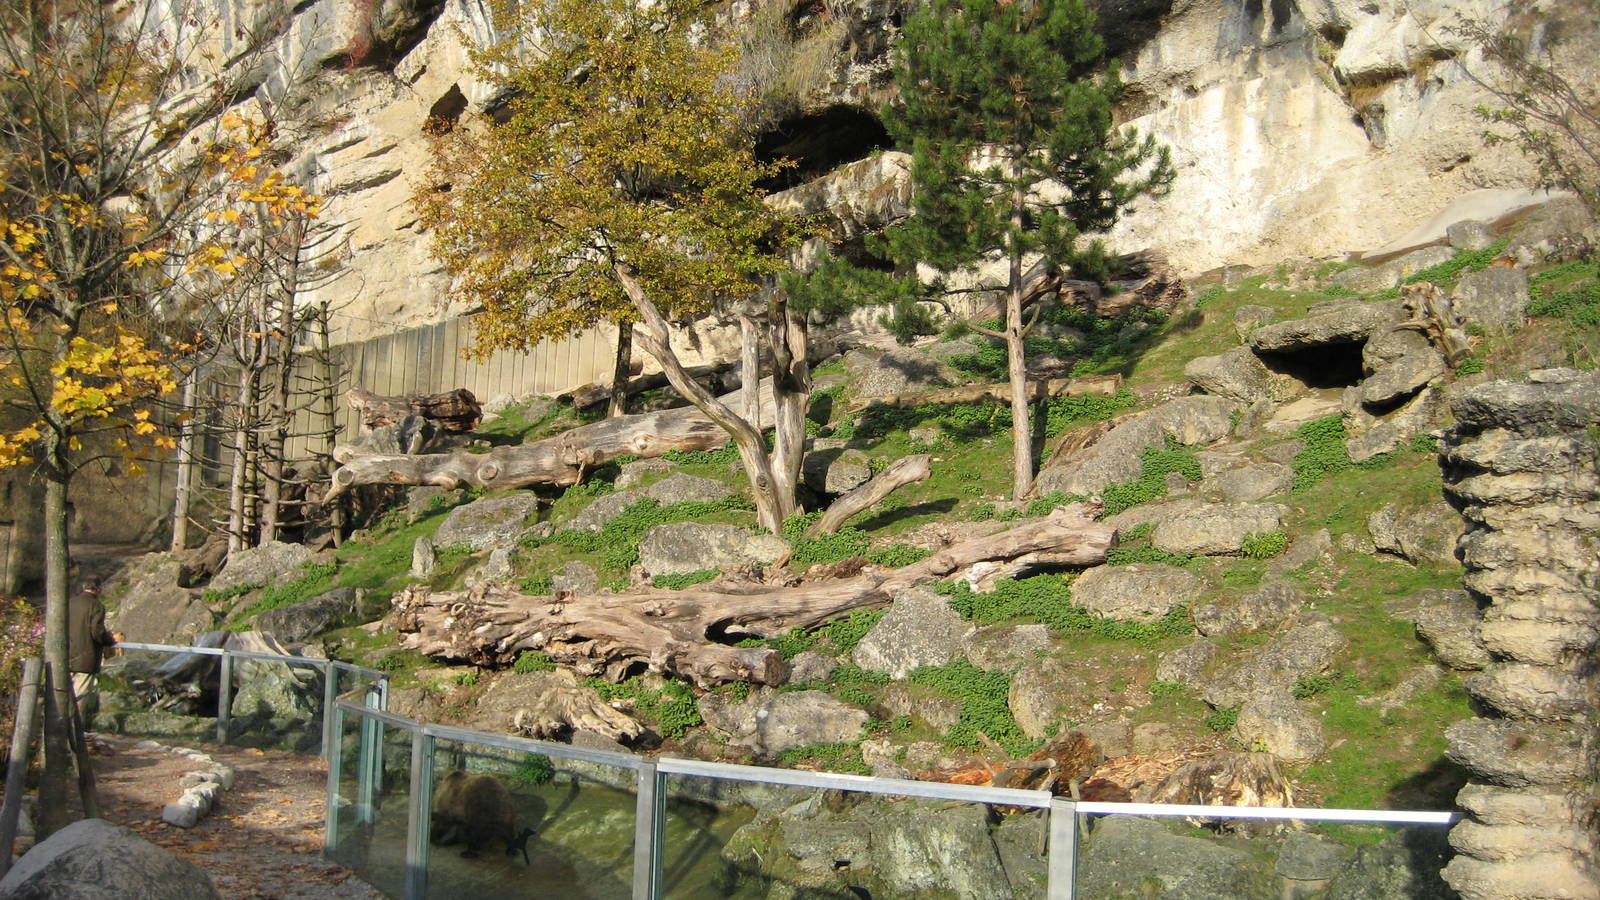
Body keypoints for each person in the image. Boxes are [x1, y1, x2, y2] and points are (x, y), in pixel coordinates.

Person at [67, 574, 113, 726]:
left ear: (83, 587)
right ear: (98, 589)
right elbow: (96, 632)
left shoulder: (69, 603)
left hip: (66, 656)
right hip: (85, 659)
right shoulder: (96, 606)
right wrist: (109, 641)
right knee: (79, 696)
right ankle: (76, 730)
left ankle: (62, 727)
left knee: (64, 693)